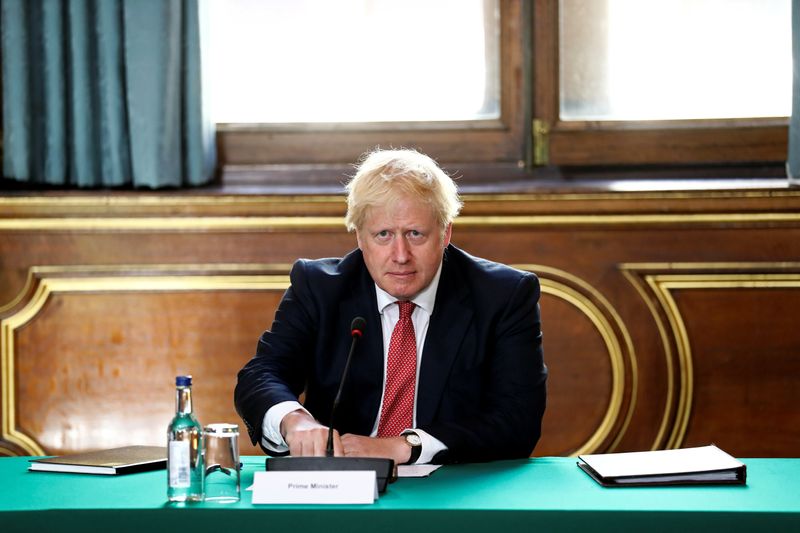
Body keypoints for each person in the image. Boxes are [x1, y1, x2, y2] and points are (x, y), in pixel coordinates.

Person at [234, 148, 547, 465]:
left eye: (415, 234)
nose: (400, 255)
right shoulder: (320, 288)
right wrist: (294, 419)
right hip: (339, 485)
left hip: (450, 489)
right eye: (383, 235)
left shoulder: (503, 296)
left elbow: (517, 419)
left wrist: (406, 446)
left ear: (445, 233)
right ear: (360, 237)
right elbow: (262, 373)